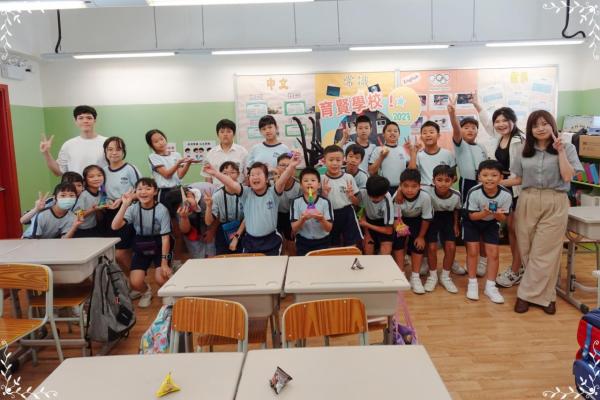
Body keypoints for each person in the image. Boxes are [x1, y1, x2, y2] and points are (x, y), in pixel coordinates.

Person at [504, 110, 583, 315]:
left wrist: (560, 152)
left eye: (544, 123)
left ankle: (531, 296)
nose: (540, 128)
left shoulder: (567, 147)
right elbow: (519, 179)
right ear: (530, 129)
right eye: (535, 125)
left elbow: (568, 176)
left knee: (545, 251)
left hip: (555, 200)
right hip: (527, 199)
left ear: (552, 125)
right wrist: (496, 183)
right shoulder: (523, 150)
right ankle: (543, 294)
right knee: (527, 249)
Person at [473, 99, 526, 288]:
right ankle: (517, 267)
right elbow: (488, 124)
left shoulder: (519, 141)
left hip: (516, 190)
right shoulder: (501, 136)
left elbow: (521, 176)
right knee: (510, 229)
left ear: (513, 121)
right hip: (504, 189)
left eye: (505, 120)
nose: (500, 124)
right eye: (498, 121)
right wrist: (477, 105)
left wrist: (496, 182)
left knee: (515, 230)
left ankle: (516, 269)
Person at [202, 152, 300, 255]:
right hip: (250, 241)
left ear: (267, 179)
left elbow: (283, 180)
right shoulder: (245, 193)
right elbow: (231, 183)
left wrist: (291, 166)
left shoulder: (273, 192)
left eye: (258, 174)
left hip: (271, 240)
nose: (255, 177)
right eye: (252, 175)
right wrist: (215, 173)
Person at [111, 178, 173, 308]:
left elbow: (165, 239)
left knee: (161, 277)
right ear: (135, 192)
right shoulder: (133, 208)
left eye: (148, 189)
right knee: (135, 282)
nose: (143, 192)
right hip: (141, 243)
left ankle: (167, 292)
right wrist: (124, 205)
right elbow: (115, 226)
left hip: (160, 244)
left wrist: (164, 263)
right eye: (139, 189)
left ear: (155, 191)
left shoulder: (162, 210)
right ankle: (146, 292)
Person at [448, 95, 490, 277]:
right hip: (467, 185)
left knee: (485, 221)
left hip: (484, 186)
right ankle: (470, 258)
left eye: (473, 127)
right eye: (466, 127)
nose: (470, 130)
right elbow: (456, 131)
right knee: (469, 223)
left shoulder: (482, 148)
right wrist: (452, 114)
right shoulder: (460, 146)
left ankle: (483, 260)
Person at [462, 160, 512, 304]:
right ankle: (472, 284)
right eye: (485, 175)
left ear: (501, 177)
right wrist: (484, 213)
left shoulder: (506, 195)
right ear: (479, 177)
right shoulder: (474, 192)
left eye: (494, 175)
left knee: (494, 254)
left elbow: (503, 218)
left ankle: (490, 286)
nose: (489, 179)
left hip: (491, 223)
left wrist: (496, 215)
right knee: (473, 251)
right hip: (472, 222)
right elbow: (472, 216)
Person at [102, 136, 140, 271]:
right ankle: (129, 281)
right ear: (105, 152)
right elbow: (102, 193)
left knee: (121, 253)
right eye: (110, 149)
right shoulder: (103, 171)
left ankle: (136, 280)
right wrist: (106, 202)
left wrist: (124, 199)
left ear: (123, 151)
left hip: (127, 212)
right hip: (109, 213)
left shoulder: (130, 168)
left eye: (118, 149)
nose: (114, 152)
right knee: (113, 253)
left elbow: (142, 192)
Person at [393, 169, 433, 293]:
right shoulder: (396, 197)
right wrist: (400, 228)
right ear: (400, 185)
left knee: (418, 245)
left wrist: (421, 237)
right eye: (405, 186)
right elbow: (395, 219)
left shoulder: (425, 197)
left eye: (414, 186)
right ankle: (400, 273)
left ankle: (415, 277)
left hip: (418, 220)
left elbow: (426, 219)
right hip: (402, 219)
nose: (409, 190)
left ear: (420, 186)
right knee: (398, 241)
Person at [40, 105, 107, 176]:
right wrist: (46, 153)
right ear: (76, 121)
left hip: (101, 183)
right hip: (75, 183)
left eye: (89, 118)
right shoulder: (68, 145)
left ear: (95, 121)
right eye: (81, 118)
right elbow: (58, 172)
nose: (85, 121)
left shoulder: (106, 143)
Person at [425, 165, 461, 293]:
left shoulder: (456, 195)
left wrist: (455, 224)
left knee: (451, 247)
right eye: (439, 180)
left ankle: (445, 276)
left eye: (447, 180)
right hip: (432, 217)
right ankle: (432, 276)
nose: (443, 183)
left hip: (448, 218)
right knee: (432, 247)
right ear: (433, 180)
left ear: (453, 181)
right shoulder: (426, 190)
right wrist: (400, 193)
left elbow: (456, 209)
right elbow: (409, 186)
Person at [320, 145, 362, 247]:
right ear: (324, 161)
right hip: (328, 214)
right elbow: (315, 203)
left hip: (347, 213)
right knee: (332, 245)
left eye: (338, 160)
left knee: (351, 244)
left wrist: (351, 196)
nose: (335, 163)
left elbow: (358, 203)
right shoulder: (320, 179)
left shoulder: (348, 178)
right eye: (331, 160)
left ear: (343, 160)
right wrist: (324, 194)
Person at [290, 167, 334, 256]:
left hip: (323, 242)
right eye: (306, 181)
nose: (309, 183)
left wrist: (321, 219)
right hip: (303, 242)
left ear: (319, 185)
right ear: (301, 185)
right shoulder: (295, 202)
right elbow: (294, 228)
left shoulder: (325, 202)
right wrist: (302, 219)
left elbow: (329, 228)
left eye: (313, 180)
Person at [204, 162, 245, 255]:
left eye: (232, 172)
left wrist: (237, 236)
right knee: (223, 258)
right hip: (223, 230)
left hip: (242, 228)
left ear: (238, 174)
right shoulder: (217, 195)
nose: (228, 176)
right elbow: (208, 222)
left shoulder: (245, 192)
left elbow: (248, 217)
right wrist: (209, 206)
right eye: (225, 173)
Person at [146, 129, 192, 206]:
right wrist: (177, 164)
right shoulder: (153, 157)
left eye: (161, 139)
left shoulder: (176, 154)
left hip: (179, 189)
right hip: (164, 192)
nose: (160, 143)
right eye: (156, 142)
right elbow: (166, 175)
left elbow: (180, 175)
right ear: (151, 145)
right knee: (166, 213)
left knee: (182, 212)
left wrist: (188, 163)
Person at [407, 121, 456, 186]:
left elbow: (454, 177)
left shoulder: (448, 154)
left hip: (443, 189)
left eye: (431, 132)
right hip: (424, 190)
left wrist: (443, 184)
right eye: (424, 133)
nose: (428, 135)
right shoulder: (418, 155)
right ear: (421, 137)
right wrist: (413, 153)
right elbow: (410, 174)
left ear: (438, 136)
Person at [368, 121, 410, 195]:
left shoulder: (403, 149)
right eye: (389, 131)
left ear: (399, 134)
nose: (392, 133)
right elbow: (371, 171)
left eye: (395, 131)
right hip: (384, 188)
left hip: (402, 188)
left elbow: (409, 169)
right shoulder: (378, 149)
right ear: (383, 134)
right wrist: (381, 157)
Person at [357, 175, 394, 256]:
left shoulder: (388, 200)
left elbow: (389, 230)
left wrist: (367, 225)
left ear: (385, 193)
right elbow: (361, 212)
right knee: (368, 245)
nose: (373, 199)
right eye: (371, 196)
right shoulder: (362, 192)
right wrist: (367, 234)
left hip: (383, 223)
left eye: (377, 197)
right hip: (368, 221)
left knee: (386, 249)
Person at [176, 186, 217, 259]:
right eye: (184, 206)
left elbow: (220, 215)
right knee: (198, 258)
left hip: (211, 225)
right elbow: (185, 230)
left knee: (212, 255)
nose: (188, 208)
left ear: (189, 194)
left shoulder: (209, 194)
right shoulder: (178, 204)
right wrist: (184, 217)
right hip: (193, 230)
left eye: (188, 204)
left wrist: (212, 231)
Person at [205, 119, 248, 187]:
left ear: (234, 134)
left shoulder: (243, 152)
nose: (225, 134)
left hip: (238, 190)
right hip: (217, 190)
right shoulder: (210, 153)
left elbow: (247, 175)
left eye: (228, 131)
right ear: (218, 134)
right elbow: (208, 177)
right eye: (222, 132)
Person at [274, 153, 302, 255]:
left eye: (289, 165)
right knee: (278, 244)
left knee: (291, 243)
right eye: (282, 165)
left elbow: (301, 207)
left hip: (291, 216)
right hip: (275, 216)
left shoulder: (299, 186)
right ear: (277, 167)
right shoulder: (270, 184)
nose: (286, 168)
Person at [72, 164, 106, 238]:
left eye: (99, 175)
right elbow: (77, 214)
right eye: (91, 177)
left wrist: (99, 209)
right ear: (85, 181)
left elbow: (99, 217)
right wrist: (92, 209)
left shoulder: (101, 194)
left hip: (93, 228)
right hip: (80, 230)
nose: (96, 179)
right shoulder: (84, 195)